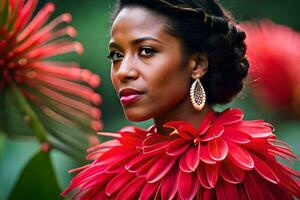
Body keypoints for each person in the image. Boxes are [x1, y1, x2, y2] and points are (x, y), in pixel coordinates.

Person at [62, 0, 300, 199]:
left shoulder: (243, 167)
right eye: (116, 55)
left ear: (197, 64)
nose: (123, 71)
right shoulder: (109, 172)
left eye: (146, 51)